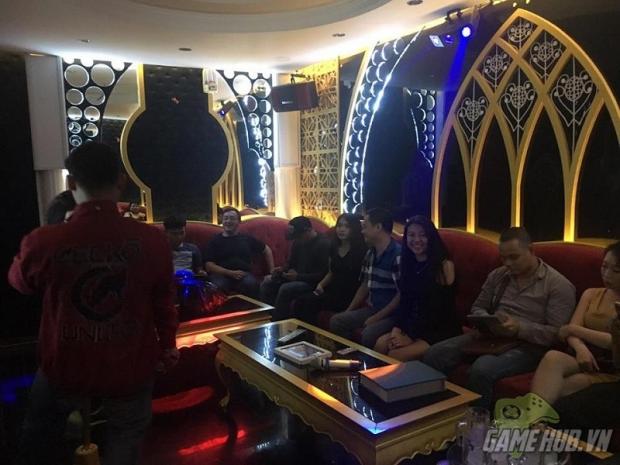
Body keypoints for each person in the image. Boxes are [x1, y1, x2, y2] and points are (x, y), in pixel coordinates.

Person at [8, 142, 179, 465]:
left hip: (64, 365)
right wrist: (168, 345)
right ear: (121, 180)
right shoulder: (153, 240)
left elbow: (19, 283)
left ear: (71, 182)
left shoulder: (44, 241)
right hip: (130, 367)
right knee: (125, 441)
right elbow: (163, 302)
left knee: (40, 438)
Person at [423, 227, 576, 409]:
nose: (508, 263)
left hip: (529, 346)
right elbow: (477, 307)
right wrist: (488, 320)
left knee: (482, 368)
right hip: (491, 336)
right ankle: (434, 414)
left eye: (514, 257)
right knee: (435, 353)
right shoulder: (499, 275)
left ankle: (477, 421)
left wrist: (519, 328)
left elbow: (557, 335)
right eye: (503, 258)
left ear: (531, 250)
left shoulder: (558, 285)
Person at [495, 241, 620, 427]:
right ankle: (533, 425)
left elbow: (613, 341)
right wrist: (580, 348)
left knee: (563, 389)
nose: (607, 274)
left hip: (611, 367)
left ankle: (532, 427)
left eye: (615, 271)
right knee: (553, 357)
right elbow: (571, 329)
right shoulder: (591, 294)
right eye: (604, 267)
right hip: (584, 355)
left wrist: (574, 330)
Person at [374, 215, 460, 361]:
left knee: (396, 355)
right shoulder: (409, 263)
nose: (416, 240)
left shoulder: (444, 266)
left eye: (422, 235)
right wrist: (397, 330)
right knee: (380, 344)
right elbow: (405, 302)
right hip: (414, 325)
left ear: (430, 238)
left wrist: (411, 337)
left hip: (439, 329)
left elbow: (440, 311)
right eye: (412, 235)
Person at [329, 208, 401, 348]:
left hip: (393, 314)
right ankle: (348, 358)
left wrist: (376, 317)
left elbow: (401, 295)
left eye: (365, 227)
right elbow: (364, 285)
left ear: (378, 227)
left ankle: (365, 362)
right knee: (337, 321)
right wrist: (349, 311)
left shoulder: (397, 255)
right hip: (373, 308)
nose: (362, 231)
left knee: (369, 333)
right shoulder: (370, 253)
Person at [292, 213, 366, 325]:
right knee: (300, 302)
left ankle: (309, 333)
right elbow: (331, 272)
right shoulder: (334, 246)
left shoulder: (361, 251)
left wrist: (349, 309)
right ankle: (302, 334)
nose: (342, 229)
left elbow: (363, 282)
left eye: (347, 226)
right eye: (339, 226)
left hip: (349, 294)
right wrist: (321, 285)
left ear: (354, 229)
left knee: (309, 304)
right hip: (332, 290)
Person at [260, 216, 330, 320]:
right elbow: (291, 263)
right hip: (297, 277)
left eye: (299, 236)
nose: (297, 239)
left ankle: (278, 321)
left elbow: (323, 274)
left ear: (308, 231)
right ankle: (266, 316)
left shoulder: (324, 244)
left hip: (312, 282)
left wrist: (298, 277)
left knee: (286, 288)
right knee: (267, 282)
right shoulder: (298, 242)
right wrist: (282, 270)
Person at [204, 206, 274, 298]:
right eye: (226, 218)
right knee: (218, 286)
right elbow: (209, 266)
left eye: (232, 219)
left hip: (243, 275)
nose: (228, 221)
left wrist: (271, 271)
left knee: (252, 284)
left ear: (239, 222)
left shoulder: (246, 238)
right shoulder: (215, 240)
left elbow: (266, 249)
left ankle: (254, 307)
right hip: (221, 275)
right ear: (222, 221)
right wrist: (230, 273)